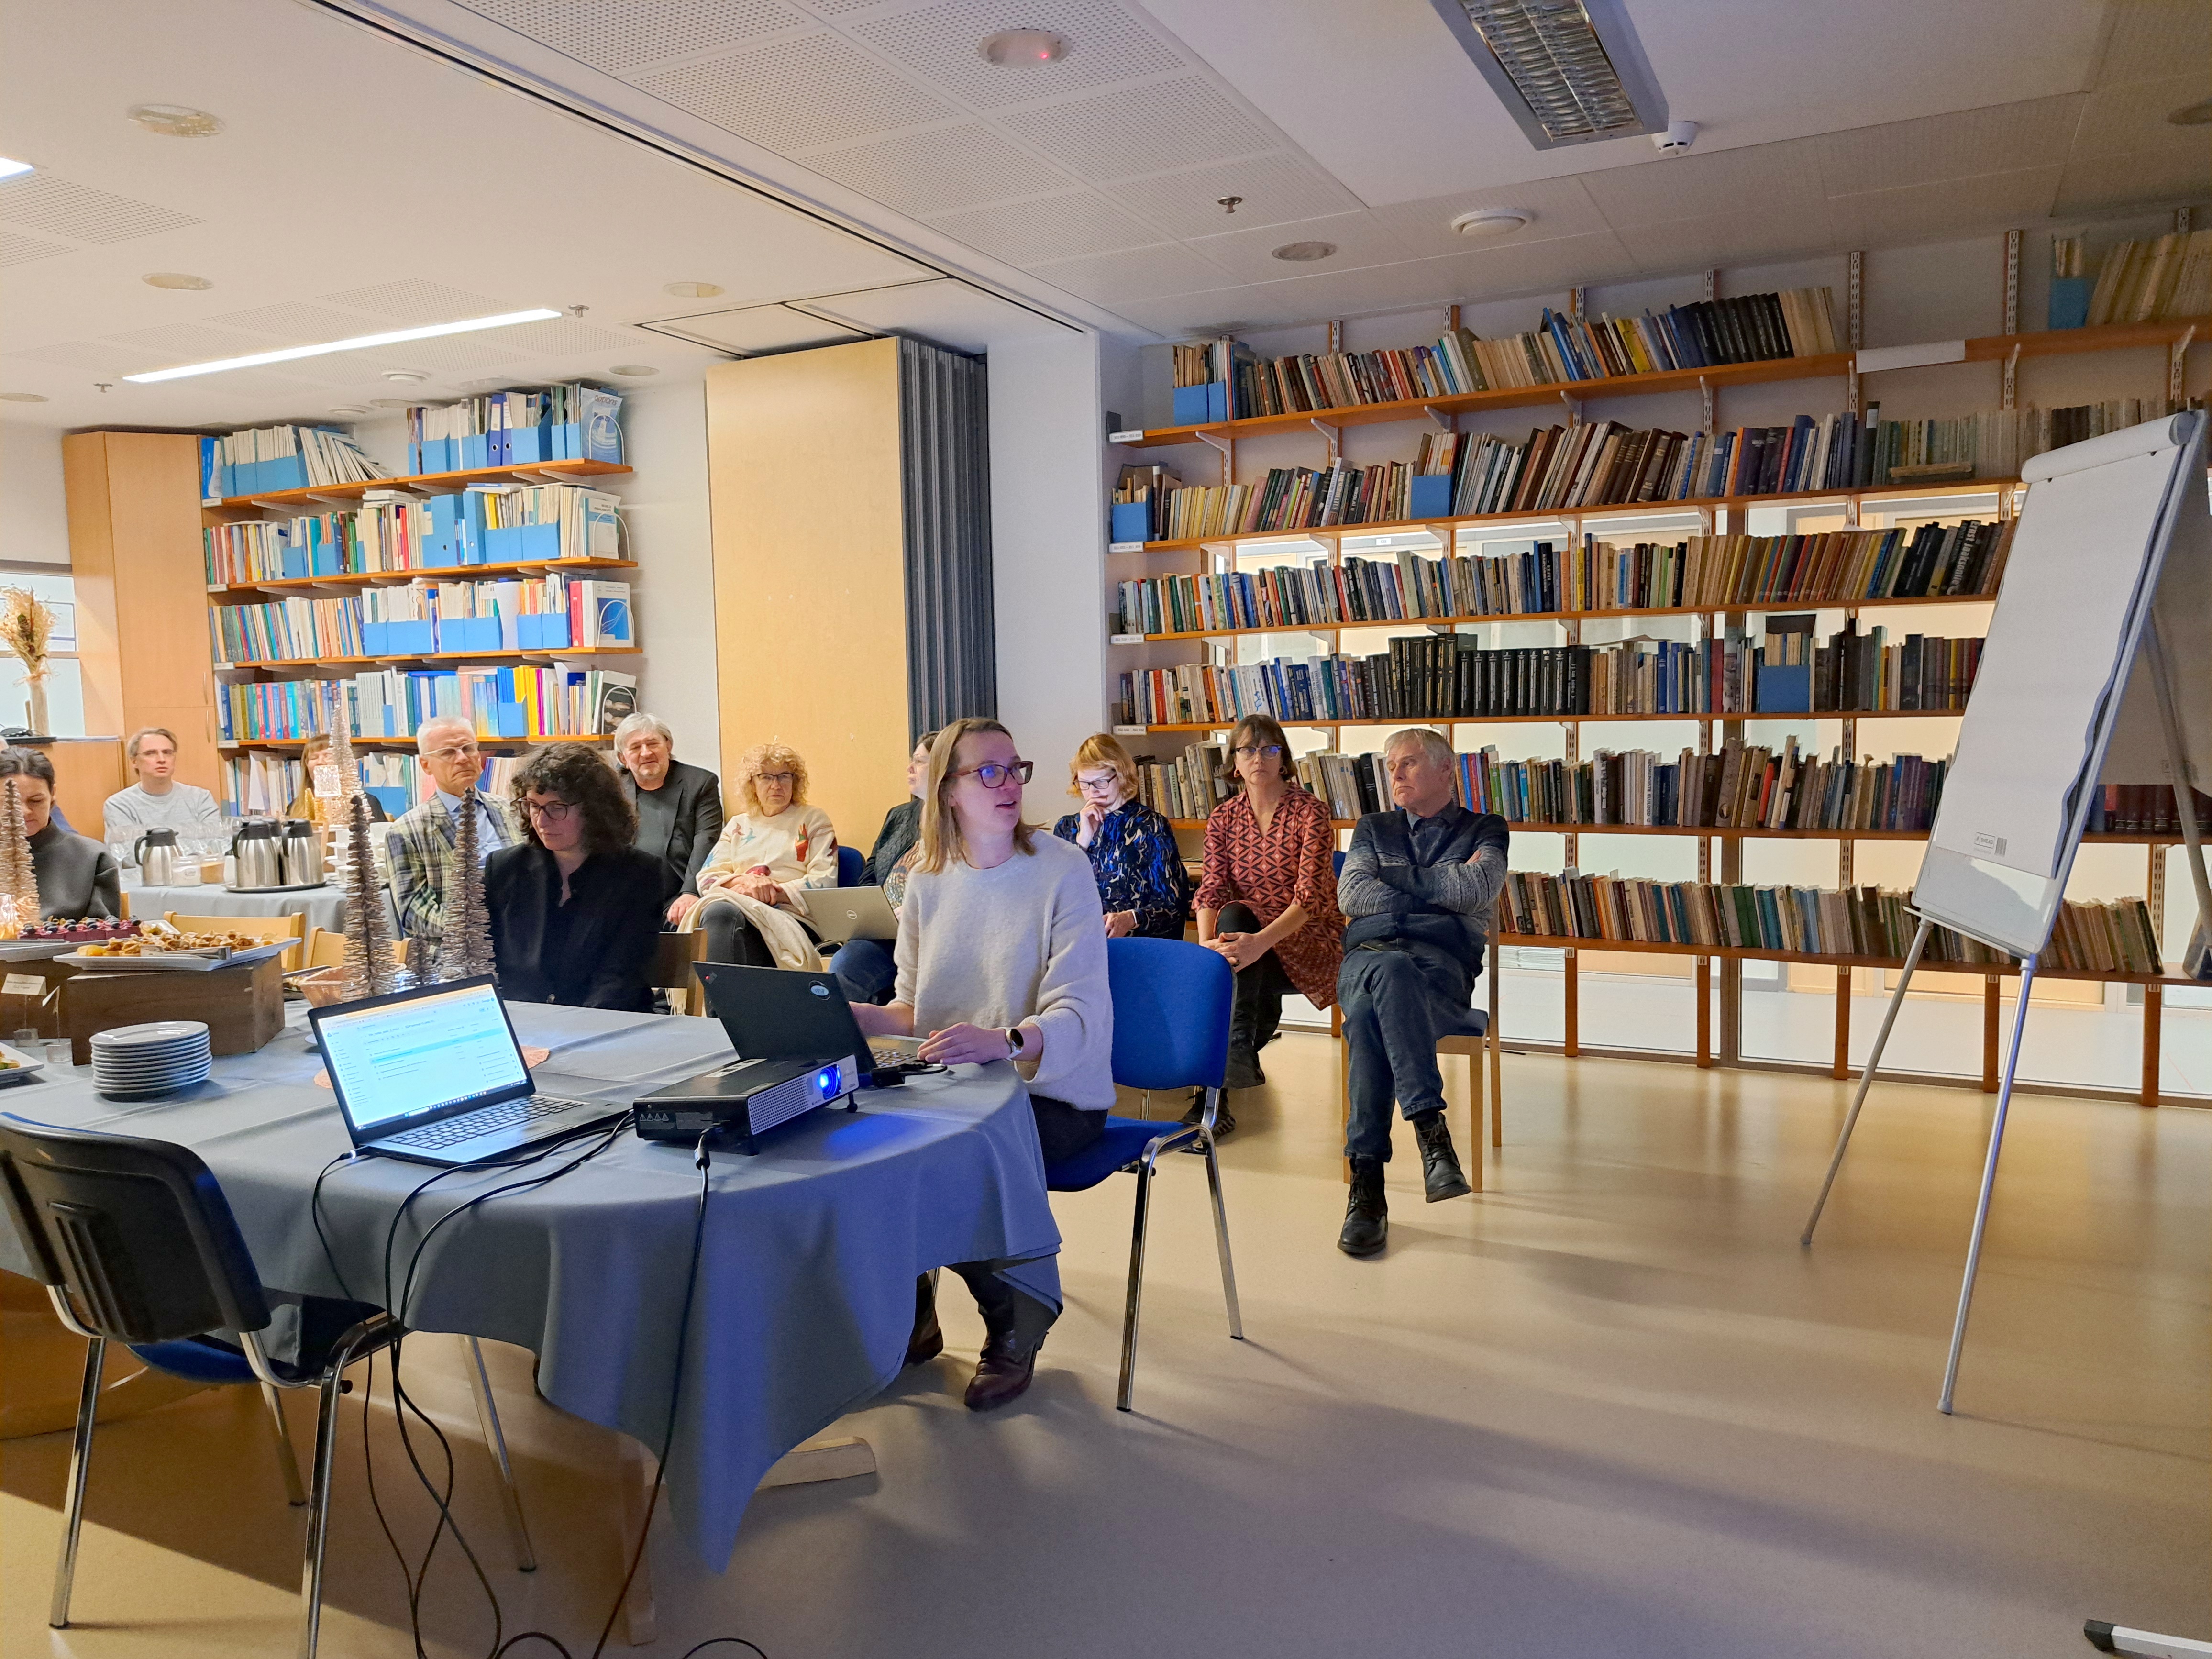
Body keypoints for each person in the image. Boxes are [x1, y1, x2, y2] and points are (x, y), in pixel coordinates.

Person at [851, 719, 1112, 1413]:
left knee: (949, 1161)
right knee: (860, 1147)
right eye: (988, 771)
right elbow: (914, 1008)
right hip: (956, 1088)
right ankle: (912, 1315)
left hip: (1054, 1094)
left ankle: (1016, 1322)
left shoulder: (1062, 868)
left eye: (1014, 768)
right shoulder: (925, 878)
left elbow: (1081, 1010)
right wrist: (867, 1019)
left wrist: (1006, 1041)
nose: (1009, 784)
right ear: (947, 790)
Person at [1334, 727, 1509, 1258]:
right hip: (1366, 959)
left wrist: (1394, 879)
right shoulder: (1373, 827)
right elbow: (1353, 894)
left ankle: (1367, 1190)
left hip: (1439, 972)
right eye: (1390, 766)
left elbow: (1477, 888)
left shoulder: (1486, 828)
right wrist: (1438, 888)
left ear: (1445, 769)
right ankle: (1432, 1133)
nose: (1395, 774)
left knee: (1369, 1016)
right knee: (1387, 971)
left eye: (1408, 763)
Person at [1193, 713, 1343, 1129]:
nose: (1258, 758)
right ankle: (1236, 1056)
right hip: (1247, 944)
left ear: (1284, 759)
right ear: (1234, 763)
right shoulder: (1223, 818)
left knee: (1239, 939)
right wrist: (1207, 947)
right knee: (1233, 922)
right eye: (1248, 750)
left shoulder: (1310, 812)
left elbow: (1310, 898)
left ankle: (1212, 1101)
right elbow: (1211, 889)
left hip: (1308, 938)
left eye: (1269, 749)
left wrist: (1258, 942)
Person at [485, 742, 664, 1011]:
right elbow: (486, 961)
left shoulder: (638, 873)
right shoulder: (504, 868)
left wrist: (575, 1026)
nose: (541, 821)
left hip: (608, 1020)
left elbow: (620, 977)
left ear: (594, 809)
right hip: (525, 1020)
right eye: (533, 806)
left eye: (557, 808)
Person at [689, 741, 837, 969]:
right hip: (738, 908)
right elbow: (707, 878)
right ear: (753, 784)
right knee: (719, 912)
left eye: (784, 777)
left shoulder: (813, 819)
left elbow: (825, 882)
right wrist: (744, 883)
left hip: (790, 917)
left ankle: (722, 992)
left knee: (726, 923)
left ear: (795, 782)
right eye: (766, 777)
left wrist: (768, 893)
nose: (776, 785)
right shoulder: (738, 824)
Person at [387, 718, 516, 950]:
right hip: (456, 951)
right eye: (448, 752)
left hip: (524, 942)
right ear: (426, 765)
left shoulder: (512, 811)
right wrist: (482, 926)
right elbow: (413, 913)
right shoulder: (406, 831)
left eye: (468, 748)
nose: (462, 758)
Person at [829, 730, 936, 1005]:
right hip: (885, 933)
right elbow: (870, 874)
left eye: (920, 762)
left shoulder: (967, 821)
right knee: (848, 960)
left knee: (851, 965)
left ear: (943, 767)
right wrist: (874, 914)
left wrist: (911, 912)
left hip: (928, 937)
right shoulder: (898, 816)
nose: (910, 768)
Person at [1051, 733, 1191, 940]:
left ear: (1121, 775)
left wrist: (1132, 918)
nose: (1093, 792)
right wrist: (1083, 842)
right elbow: (1055, 898)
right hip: (1081, 941)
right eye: (1085, 783)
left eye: (1101, 782)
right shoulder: (1067, 828)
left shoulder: (1150, 825)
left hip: (1137, 943)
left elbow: (1172, 906)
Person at [613, 712, 723, 925]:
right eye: (635, 748)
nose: (646, 753)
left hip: (679, 897)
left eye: (653, 744)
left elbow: (707, 840)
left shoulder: (700, 783)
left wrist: (691, 892)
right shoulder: (611, 789)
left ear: (668, 746)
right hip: (626, 899)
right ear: (623, 759)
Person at [0, 747, 119, 920]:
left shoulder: (92, 857)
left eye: (36, 801)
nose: (24, 812)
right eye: (9, 803)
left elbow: (103, 931)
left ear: (53, 794)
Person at [103, 728, 223, 856]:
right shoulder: (118, 805)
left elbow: (216, 846)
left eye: (167, 753)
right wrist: (190, 847)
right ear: (134, 762)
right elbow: (131, 855)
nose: (162, 759)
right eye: (151, 753)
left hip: (198, 868)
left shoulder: (201, 798)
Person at [283, 732, 389, 825]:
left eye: (327, 756)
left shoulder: (367, 802)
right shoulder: (295, 807)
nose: (320, 762)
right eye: (314, 758)